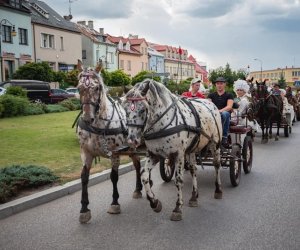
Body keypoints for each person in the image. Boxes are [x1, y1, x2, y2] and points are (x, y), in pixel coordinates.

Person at [207, 77, 233, 147]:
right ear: (215, 85)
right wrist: (214, 112)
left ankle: (224, 136)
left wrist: (219, 111)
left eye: (221, 83)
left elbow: (229, 106)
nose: (219, 85)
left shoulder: (229, 95)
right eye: (217, 84)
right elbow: (208, 105)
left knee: (224, 114)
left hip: (225, 114)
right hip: (213, 114)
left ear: (224, 85)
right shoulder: (211, 95)